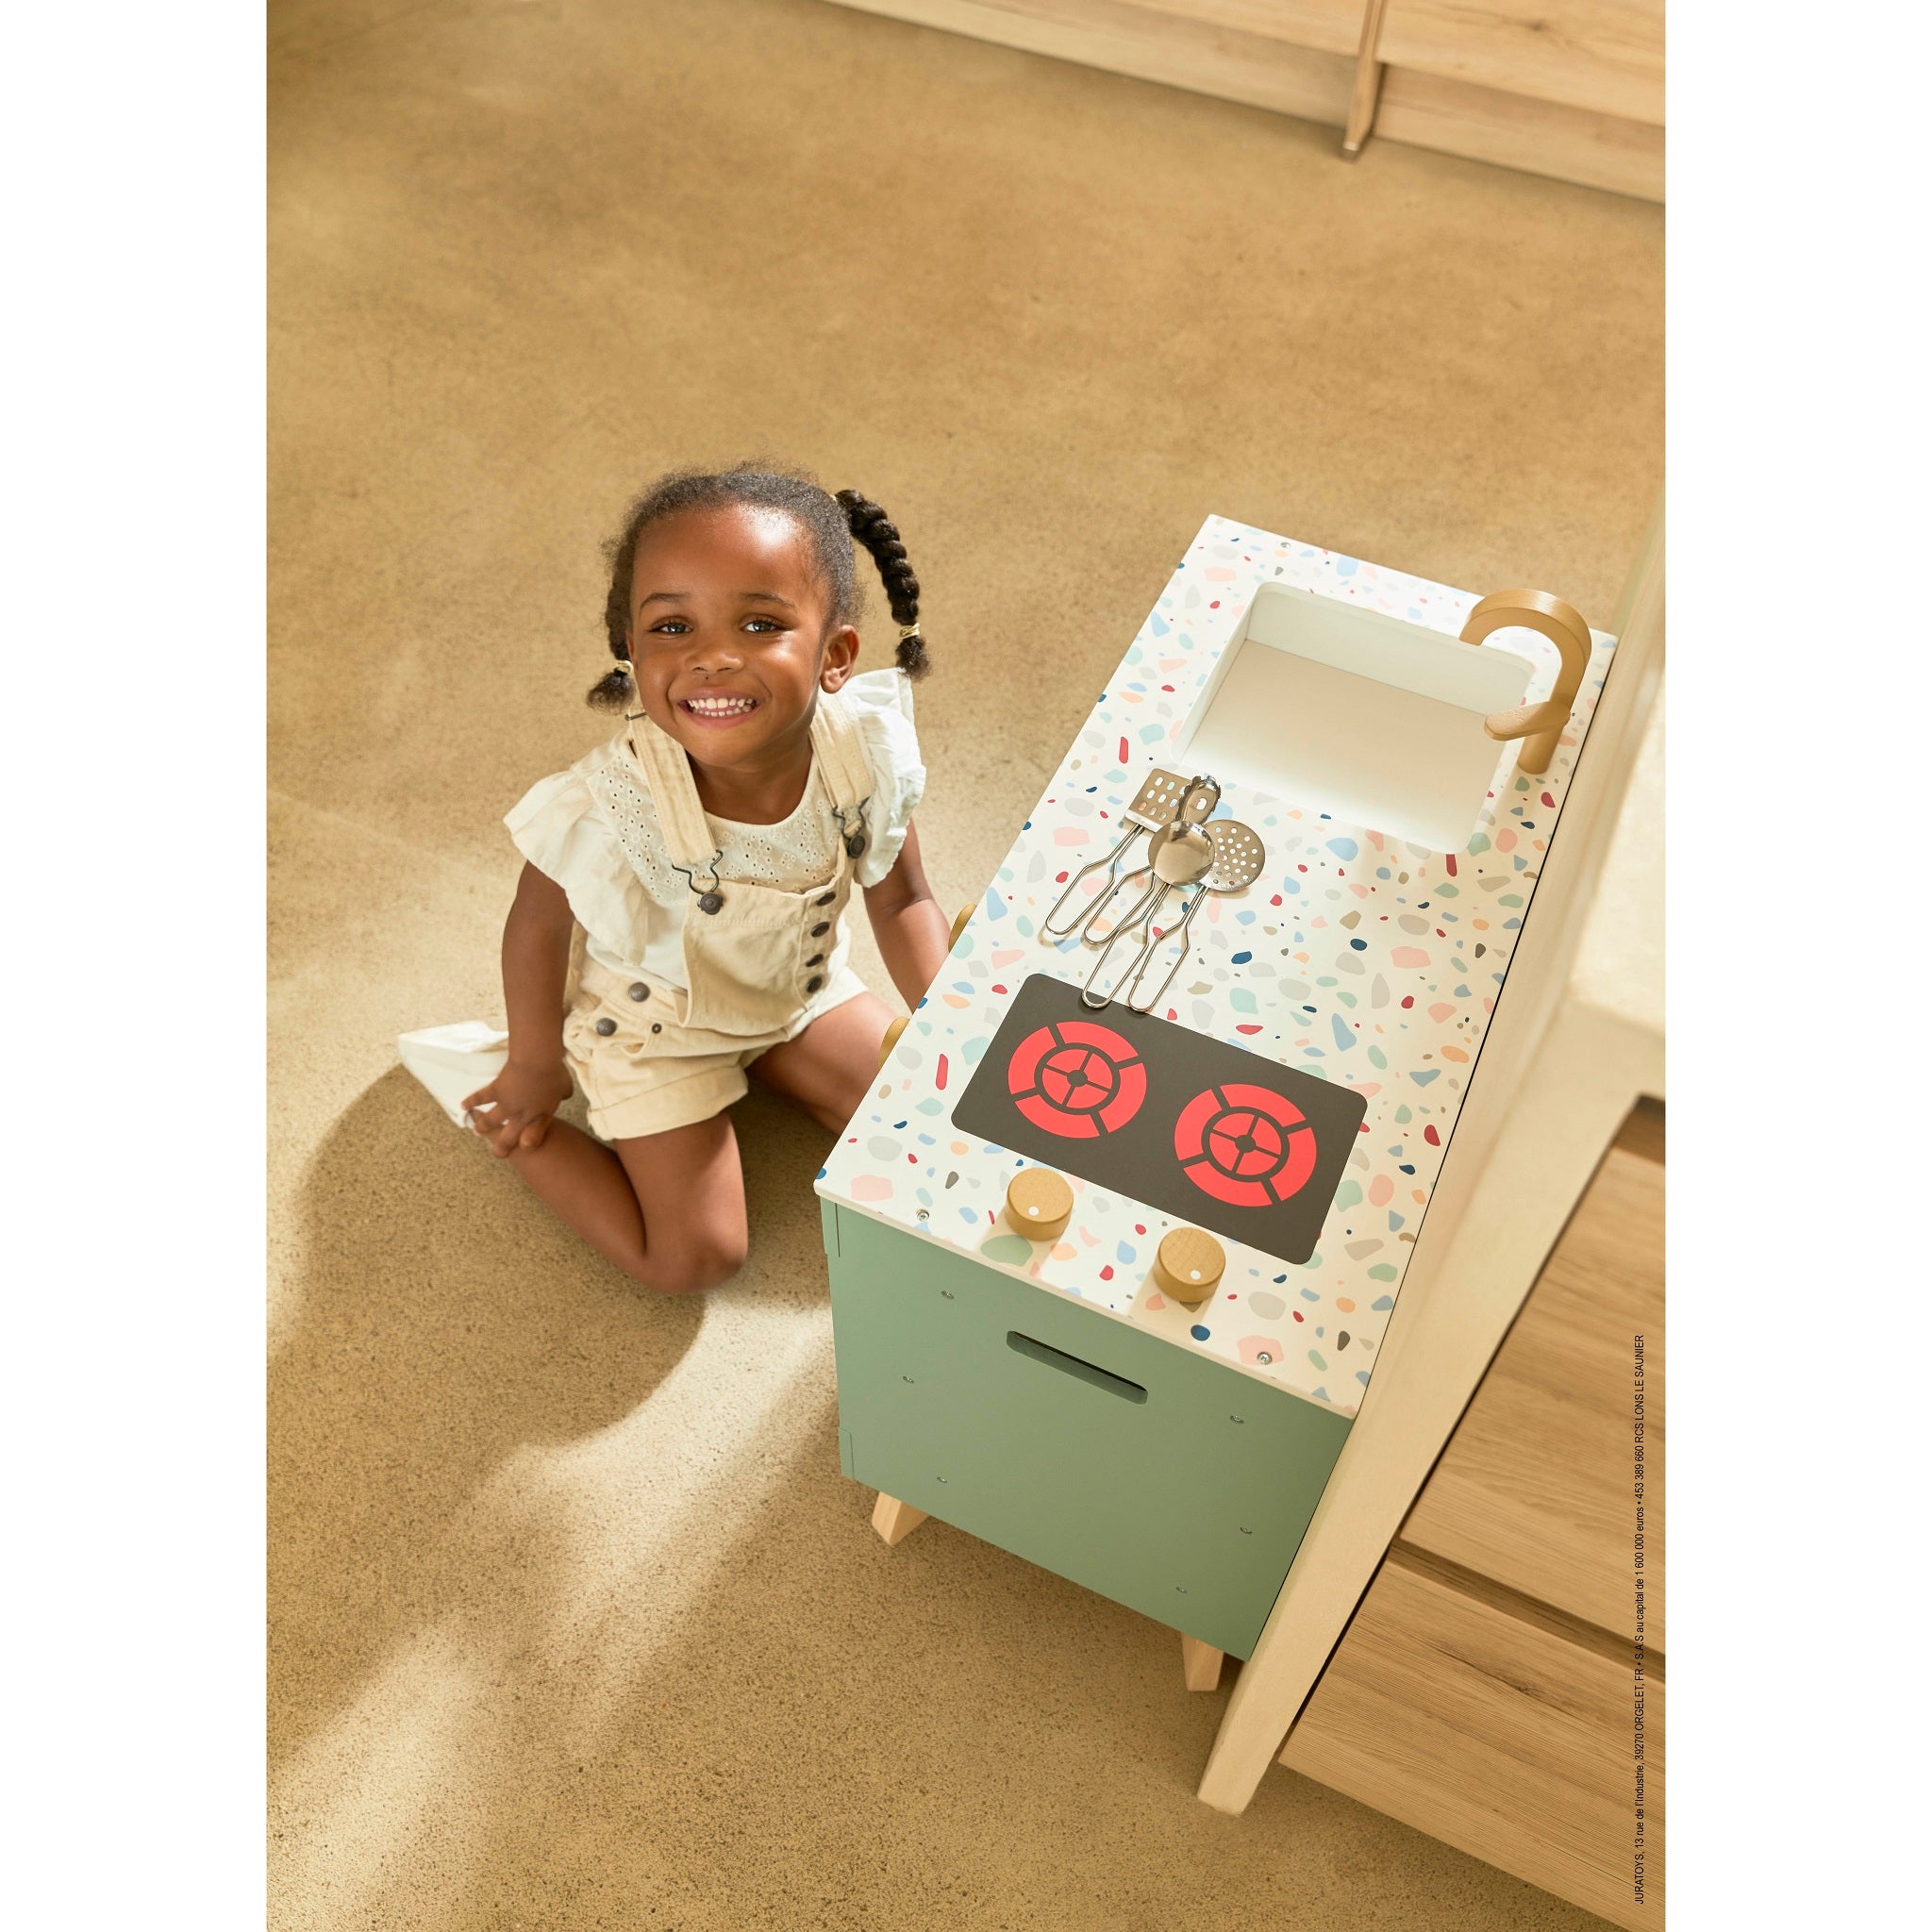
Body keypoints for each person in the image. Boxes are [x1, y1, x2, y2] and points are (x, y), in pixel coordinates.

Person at [459, 467, 952, 1291]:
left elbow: (902, 896)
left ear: (835, 656)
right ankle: (519, 1136)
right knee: (696, 1258)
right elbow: (538, 927)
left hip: (796, 994)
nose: (713, 657)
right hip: (659, 1030)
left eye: (760, 624)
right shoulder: (610, 802)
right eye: (672, 627)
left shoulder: (864, 751)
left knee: (930, 1130)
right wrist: (535, 1066)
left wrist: (952, 1022)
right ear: (630, 649)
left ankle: (771, 1061)